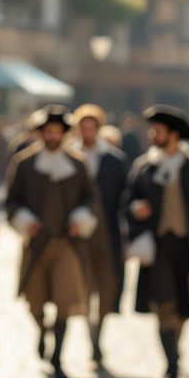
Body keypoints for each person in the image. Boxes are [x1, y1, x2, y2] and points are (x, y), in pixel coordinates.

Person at [123, 105, 189, 378]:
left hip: (187, 247)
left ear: (174, 135)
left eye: (159, 131)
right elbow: (128, 202)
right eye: (153, 130)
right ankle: (172, 362)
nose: (154, 135)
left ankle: (175, 347)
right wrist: (136, 208)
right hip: (157, 247)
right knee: (163, 303)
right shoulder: (144, 167)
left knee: (183, 307)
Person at [6, 106, 96, 378]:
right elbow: (11, 200)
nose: (53, 136)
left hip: (66, 244)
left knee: (65, 301)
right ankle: (42, 331)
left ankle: (58, 356)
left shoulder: (78, 164)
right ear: (41, 133)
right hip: (36, 244)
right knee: (35, 301)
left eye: (58, 131)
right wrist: (25, 221)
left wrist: (80, 218)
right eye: (48, 131)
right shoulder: (25, 163)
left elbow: (90, 199)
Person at [75, 104, 128, 342]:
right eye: (83, 128)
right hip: (77, 233)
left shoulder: (114, 161)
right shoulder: (69, 158)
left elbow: (124, 198)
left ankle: (99, 331)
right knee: (82, 284)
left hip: (108, 232)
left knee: (107, 284)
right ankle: (89, 332)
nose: (87, 132)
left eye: (91, 127)